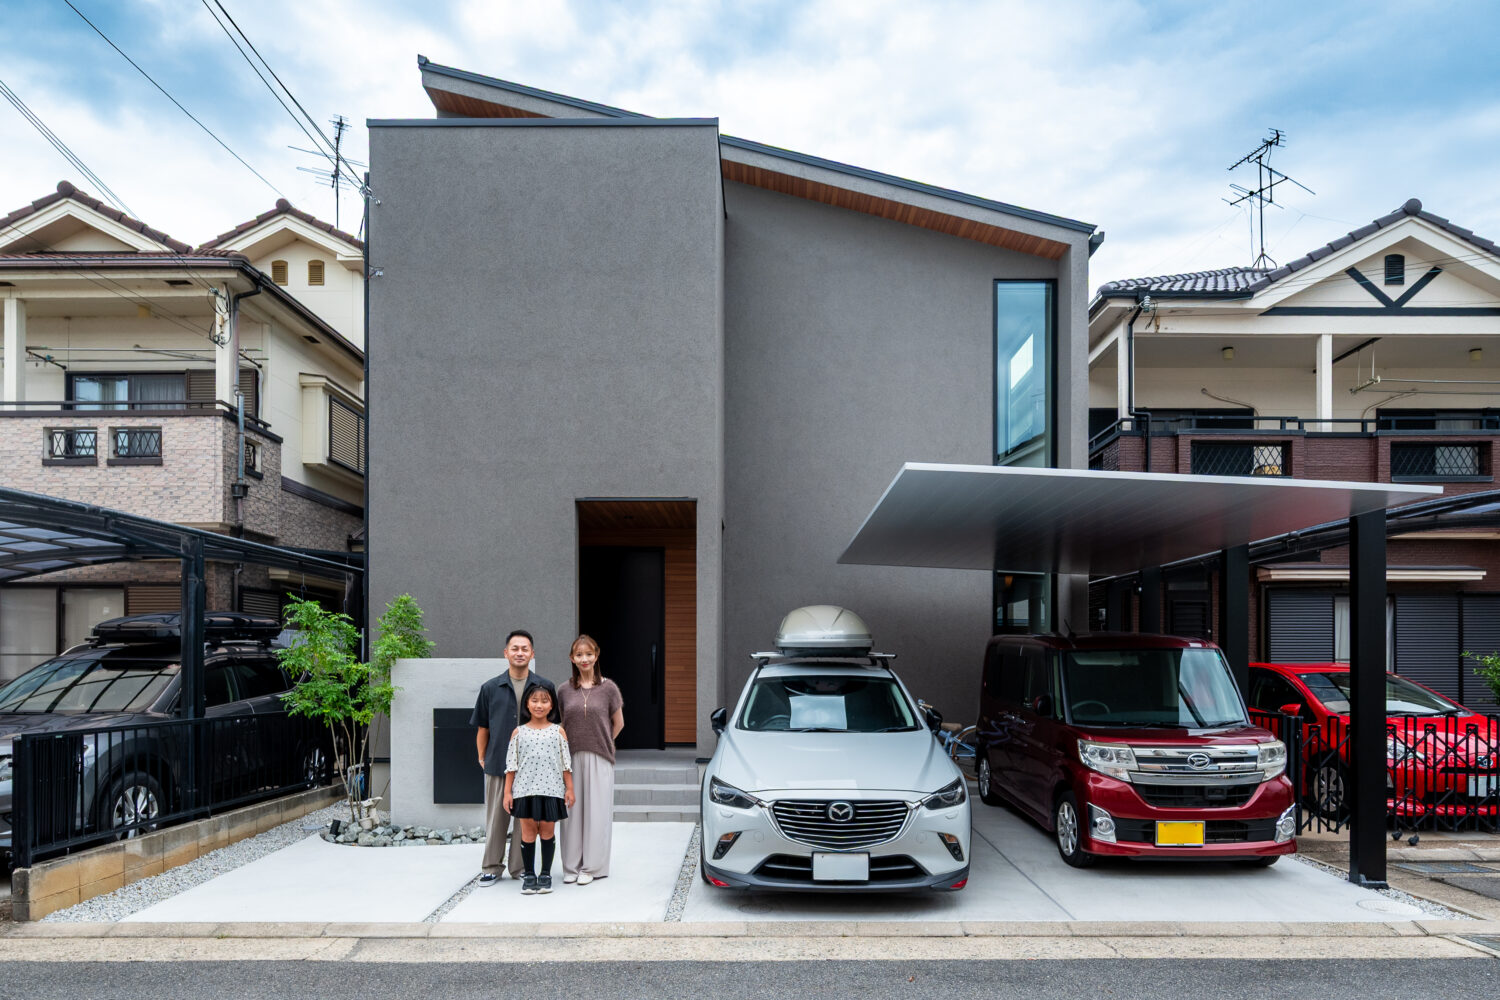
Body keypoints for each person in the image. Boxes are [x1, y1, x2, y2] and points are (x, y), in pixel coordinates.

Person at [470, 630, 556, 887]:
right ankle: (491, 866)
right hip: (498, 762)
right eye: (515, 648)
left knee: (526, 819)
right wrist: (482, 756)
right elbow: (482, 727)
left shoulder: (544, 687)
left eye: (525, 648)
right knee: (497, 818)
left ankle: (520, 867)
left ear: (532, 653)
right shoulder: (490, 688)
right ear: (506, 653)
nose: (520, 653)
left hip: (534, 766)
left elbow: (553, 727)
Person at [556, 634, 625, 884]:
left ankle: (592, 868)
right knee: (571, 813)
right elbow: (562, 724)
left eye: (588, 654)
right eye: (579, 655)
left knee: (597, 814)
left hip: (600, 757)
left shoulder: (609, 688)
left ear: (596, 655)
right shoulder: (564, 690)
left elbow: (618, 723)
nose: (584, 659)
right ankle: (571, 867)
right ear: (572, 658)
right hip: (571, 758)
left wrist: (603, 740)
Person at [503, 681, 575, 894]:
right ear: (527, 704)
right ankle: (530, 875)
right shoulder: (518, 732)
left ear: (552, 705)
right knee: (527, 831)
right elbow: (511, 765)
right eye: (534, 701)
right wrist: (508, 792)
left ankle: (545, 874)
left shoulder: (558, 732)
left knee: (547, 830)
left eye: (545, 701)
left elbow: (566, 764)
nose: (539, 705)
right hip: (525, 790)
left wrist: (569, 788)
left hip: (551, 790)